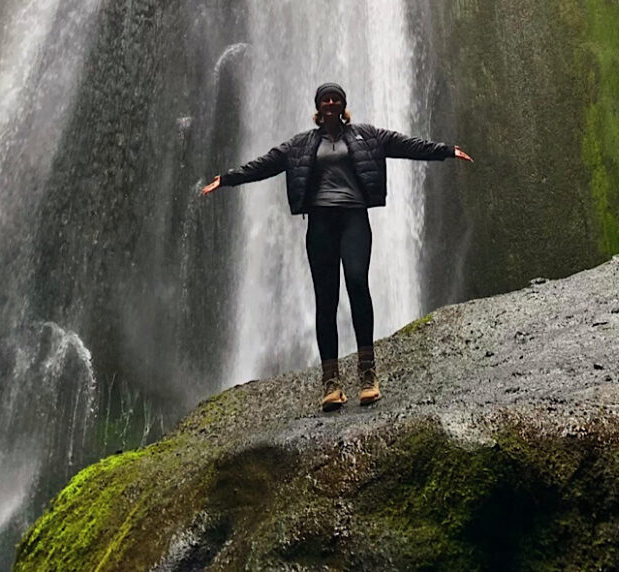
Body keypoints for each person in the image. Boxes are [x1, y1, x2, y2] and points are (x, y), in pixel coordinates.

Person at [200, 82, 472, 412]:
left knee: (357, 283)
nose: (331, 103)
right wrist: (227, 178)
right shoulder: (300, 145)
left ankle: (367, 374)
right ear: (318, 106)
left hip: (354, 218)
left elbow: (406, 145)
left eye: (336, 98)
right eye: (325, 99)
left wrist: (445, 150)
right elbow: (265, 164)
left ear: (344, 104)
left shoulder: (367, 136)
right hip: (320, 223)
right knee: (325, 298)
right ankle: (331, 383)